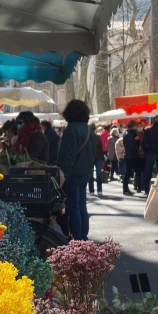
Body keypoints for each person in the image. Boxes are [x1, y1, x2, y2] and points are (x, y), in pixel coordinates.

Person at [57, 99, 96, 240]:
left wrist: (62, 175)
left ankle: (77, 237)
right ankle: (83, 236)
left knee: (73, 207)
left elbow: (66, 156)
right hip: (85, 172)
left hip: (72, 173)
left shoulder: (71, 130)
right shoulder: (89, 129)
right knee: (81, 206)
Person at [140, 116, 158, 193]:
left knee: (148, 171)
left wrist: (146, 151)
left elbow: (143, 143)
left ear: (153, 121)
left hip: (150, 152)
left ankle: (146, 189)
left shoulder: (148, 131)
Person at [122, 121, 139, 195]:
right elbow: (130, 146)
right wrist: (135, 140)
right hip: (130, 156)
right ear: (133, 126)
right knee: (128, 173)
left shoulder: (127, 133)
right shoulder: (129, 134)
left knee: (128, 173)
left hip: (129, 155)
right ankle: (125, 189)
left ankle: (126, 188)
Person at [89, 126, 104, 195]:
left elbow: (101, 148)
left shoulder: (97, 137)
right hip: (95, 157)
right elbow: (101, 148)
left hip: (96, 157)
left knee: (96, 174)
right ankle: (94, 190)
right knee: (95, 174)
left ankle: (96, 190)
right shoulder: (95, 137)